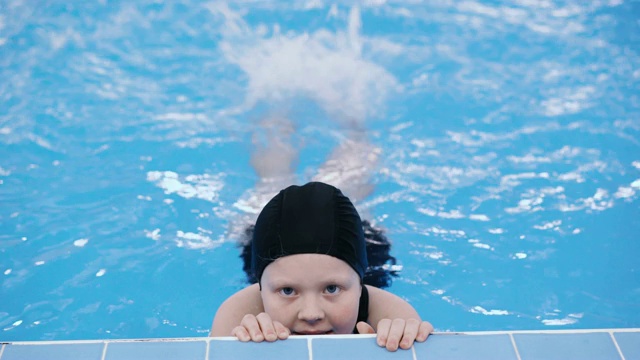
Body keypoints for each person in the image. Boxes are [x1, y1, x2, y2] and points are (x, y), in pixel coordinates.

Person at [209, 181, 433, 351]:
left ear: (359, 283)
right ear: (261, 286)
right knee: (268, 181)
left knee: (353, 179)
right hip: (274, 249)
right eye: (288, 291)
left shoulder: (392, 316)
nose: (311, 314)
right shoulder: (237, 317)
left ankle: (356, 135)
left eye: (331, 288)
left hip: (356, 249)